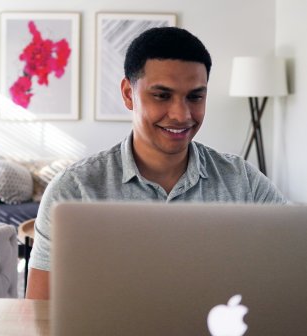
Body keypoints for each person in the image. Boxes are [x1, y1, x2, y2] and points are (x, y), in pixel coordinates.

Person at [26, 27, 286, 299]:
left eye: (195, 96)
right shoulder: (73, 190)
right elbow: (37, 312)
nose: (181, 114)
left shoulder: (242, 181)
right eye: (162, 96)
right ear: (128, 93)